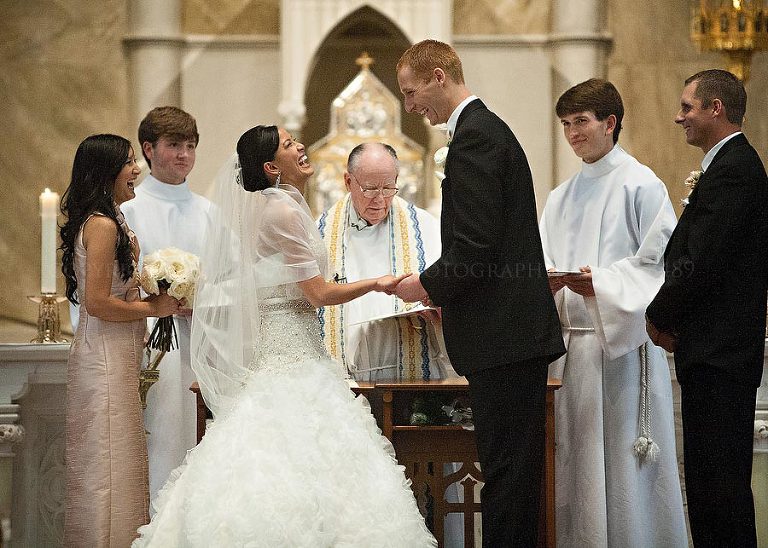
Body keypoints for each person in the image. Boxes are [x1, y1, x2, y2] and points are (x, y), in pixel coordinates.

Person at [132, 125, 437, 547]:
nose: (301, 147)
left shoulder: (260, 207)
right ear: (272, 166)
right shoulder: (282, 211)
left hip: (282, 346)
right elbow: (316, 294)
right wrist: (377, 283)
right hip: (292, 352)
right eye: (290, 144)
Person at [394, 40, 565, 547]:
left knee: (509, 479)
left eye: (411, 91)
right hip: (508, 338)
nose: (409, 105)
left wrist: (424, 284)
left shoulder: (475, 139)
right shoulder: (482, 132)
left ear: (439, 76)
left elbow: (473, 247)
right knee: (510, 474)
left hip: (505, 339)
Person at [539, 78, 687, 547]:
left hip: (623, 352)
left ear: (610, 122)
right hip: (571, 352)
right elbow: (541, 257)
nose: (572, 134)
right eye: (565, 125)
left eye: (580, 122)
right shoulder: (561, 196)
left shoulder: (642, 184)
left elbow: (659, 265)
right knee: (577, 466)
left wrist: (598, 284)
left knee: (626, 471)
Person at [646, 69, 768, 548]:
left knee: (719, 488)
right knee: (710, 483)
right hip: (715, 351)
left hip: (720, 353)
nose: (679, 118)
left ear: (716, 108)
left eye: (688, 107)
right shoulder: (729, 166)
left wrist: (658, 315)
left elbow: (702, 260)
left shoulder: (736, 169)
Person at [60, 134, 181, 546]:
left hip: (118, 351)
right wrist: (153, 309)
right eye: (129, 162)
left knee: (121, 456)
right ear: (105, 171)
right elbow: (96, 302)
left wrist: (161, 298)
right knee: (107, 462)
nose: (137, 170)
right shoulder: (103, 225)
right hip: (105, 356)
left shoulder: (111, 219)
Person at [121, 106, 211, 505]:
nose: (184, 155)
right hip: (147, 344)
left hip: (202, 341)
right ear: (148, 149)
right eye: (174, 145)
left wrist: (201, 299)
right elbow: (116, 284)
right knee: (157, 436)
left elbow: (230, 280)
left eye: (190, 146)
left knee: (198, 441)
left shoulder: (211, 212)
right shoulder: (128, 211)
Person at [318, 142, 455, 382]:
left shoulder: (424, 227)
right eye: (370, 189)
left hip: (406, 360)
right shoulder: (320, 231)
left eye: (389, 188)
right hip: (346, 368)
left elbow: (448, 284)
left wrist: (434, 299)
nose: (380, 200)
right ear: (348, 182)